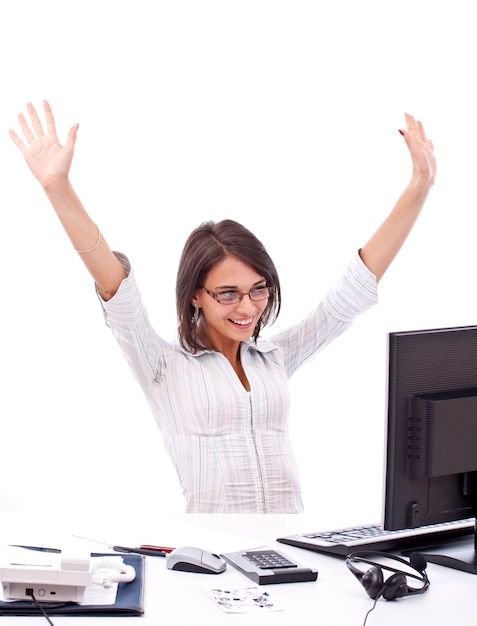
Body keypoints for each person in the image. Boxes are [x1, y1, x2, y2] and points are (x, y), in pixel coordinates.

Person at [9, 102, 436, 513]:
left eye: (258, 289)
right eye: (227, 293)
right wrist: (57, 186)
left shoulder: (274, 358)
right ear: (196, 294)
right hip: (214, 552)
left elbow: (350, 293)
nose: (247, 308)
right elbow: (116, 286)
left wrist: (419, 185)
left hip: (286, 545)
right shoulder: (162, 366)